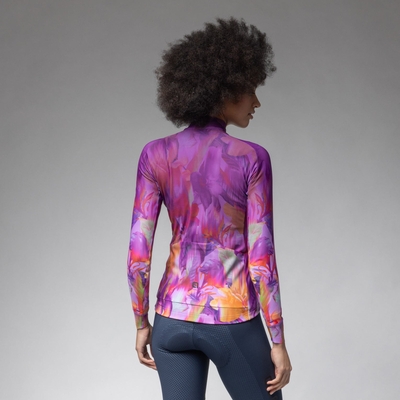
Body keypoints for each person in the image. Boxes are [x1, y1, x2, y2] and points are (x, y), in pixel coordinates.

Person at [127, 17, 292, 400]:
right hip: (231, 319)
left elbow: (138, 255)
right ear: (225, 90)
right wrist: (278, 340)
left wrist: (141, 322)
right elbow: (261, 261)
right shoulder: (251, 158)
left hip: (170, 320)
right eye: (250, 90)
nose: (256, 102)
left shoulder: (155, 154)